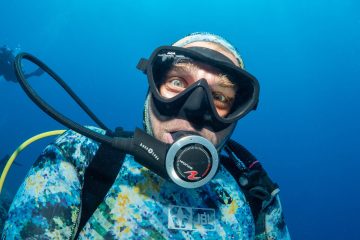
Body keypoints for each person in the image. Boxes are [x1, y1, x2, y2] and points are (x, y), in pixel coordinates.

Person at [2, 32, 290, 239]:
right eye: (177, 82)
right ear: (151, 90)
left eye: (220, 97)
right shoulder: (82, 154)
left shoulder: (256, 199)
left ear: (236, 114)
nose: (195, 109)